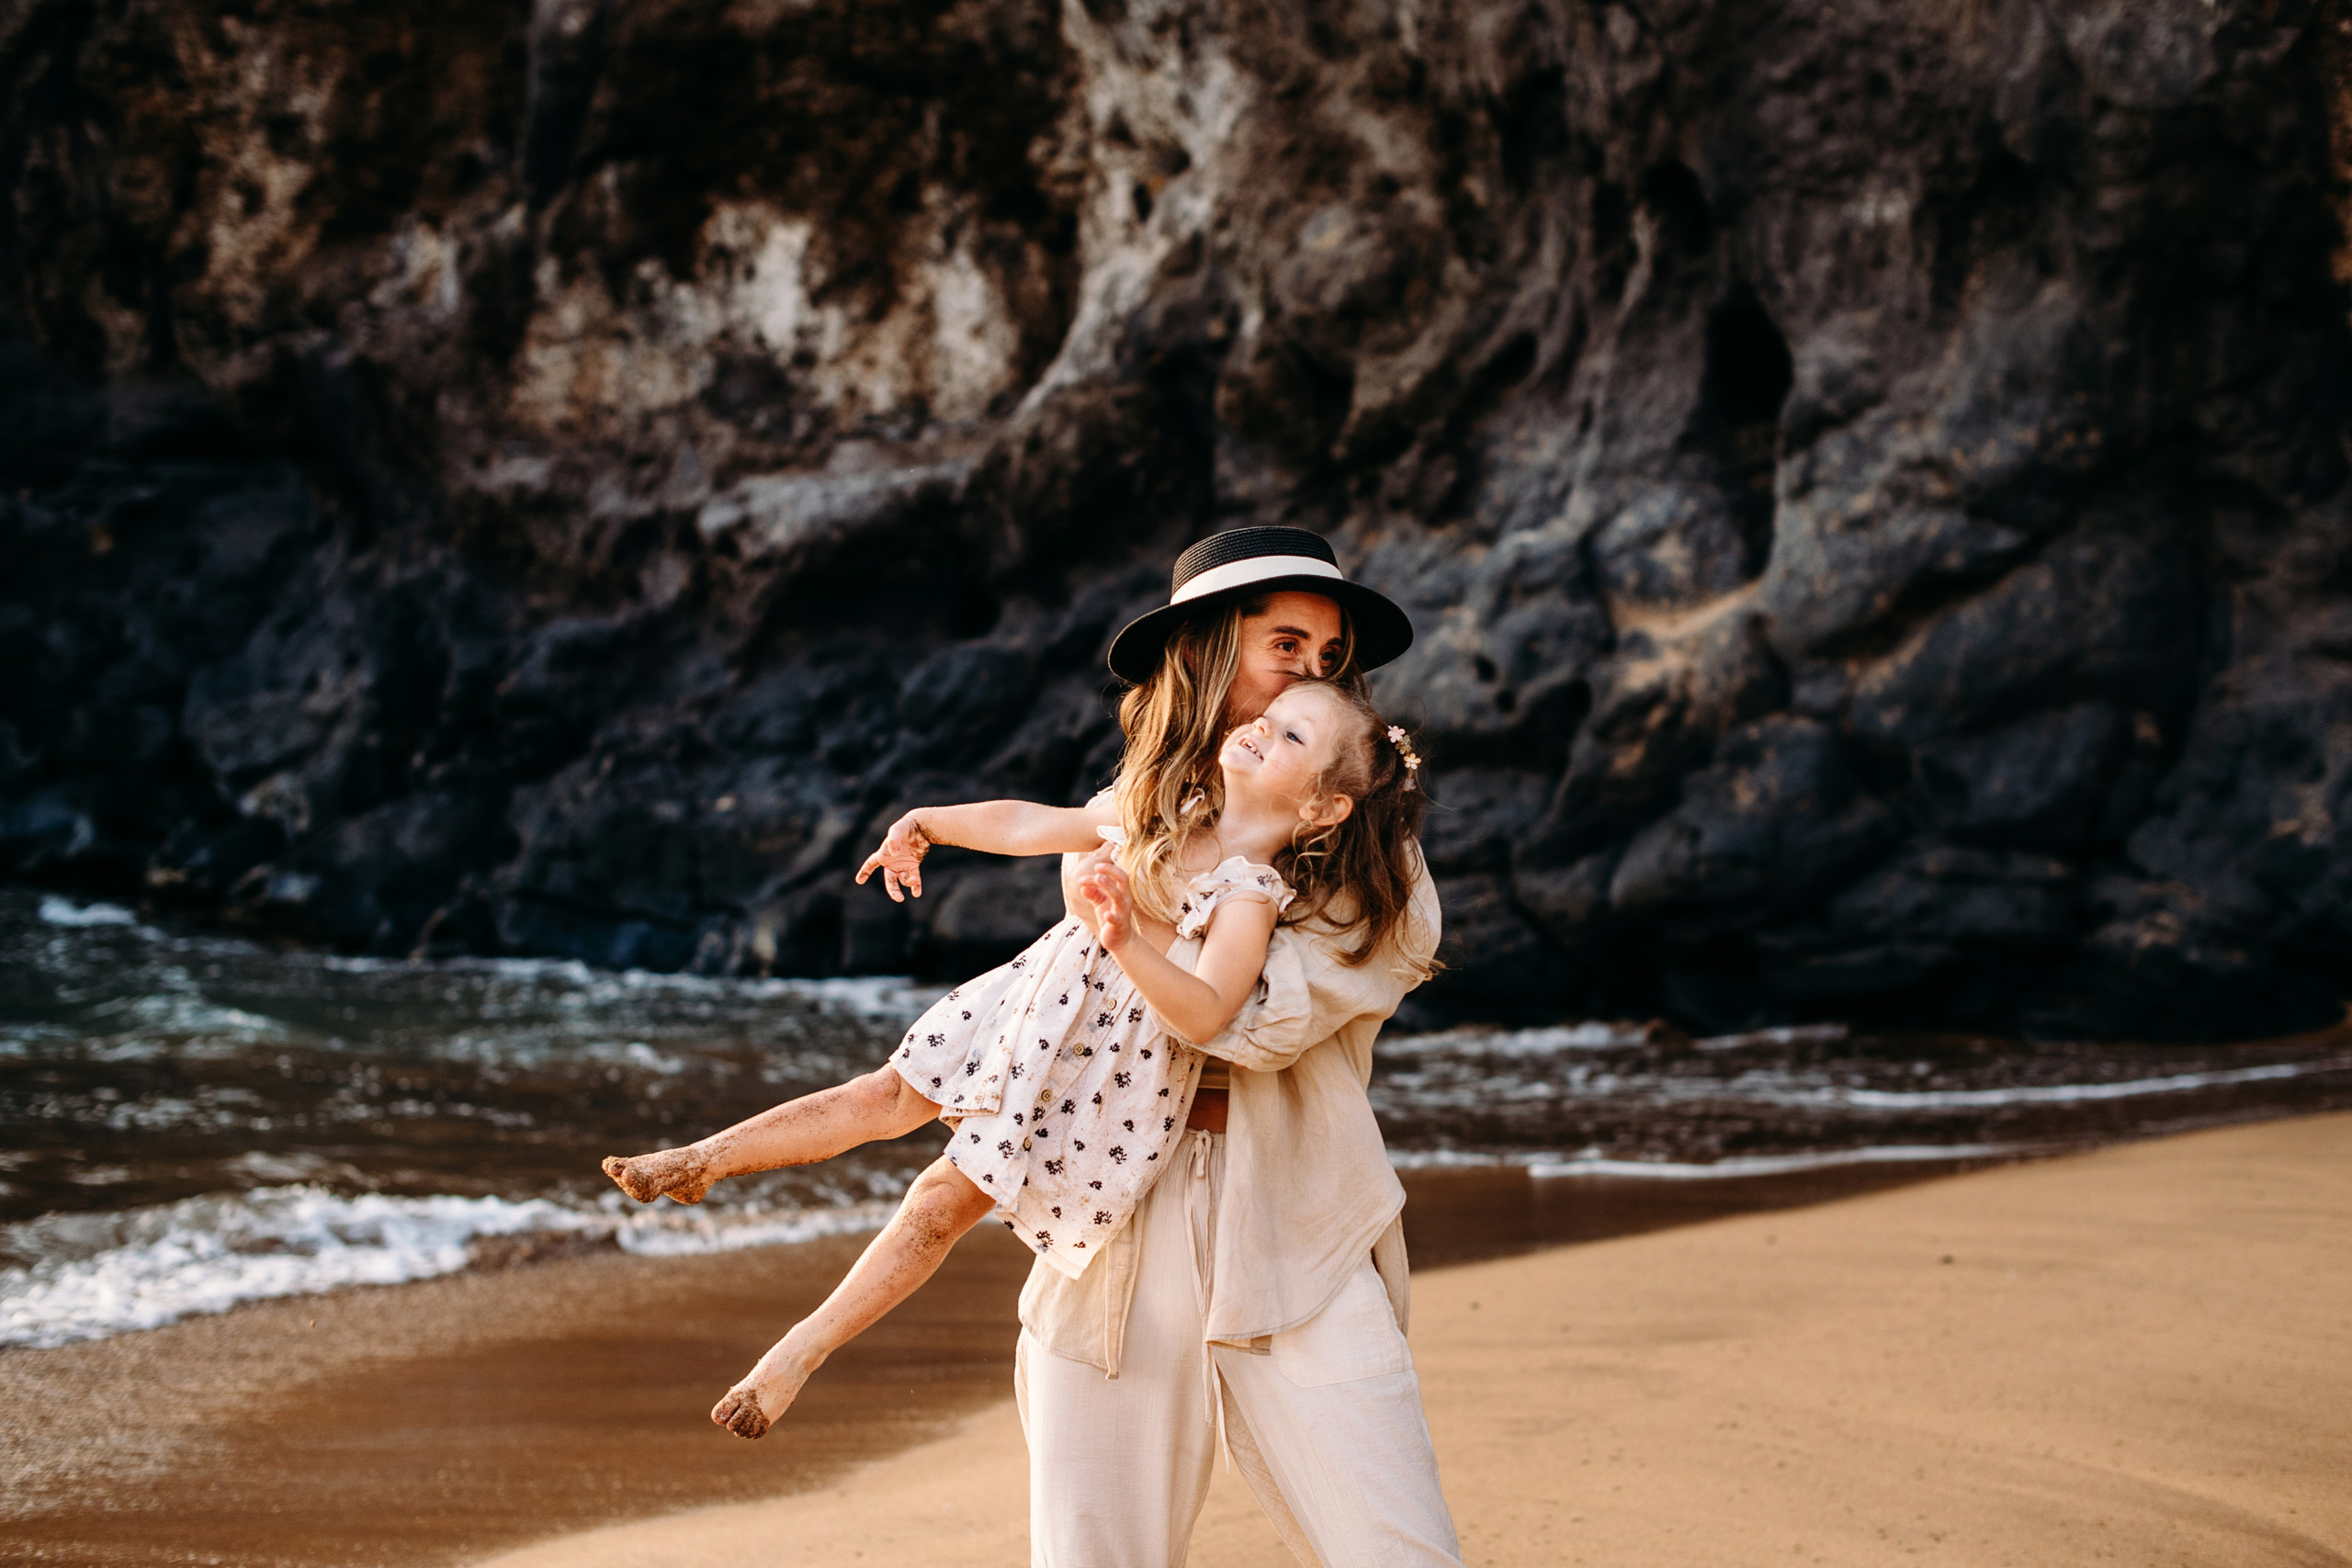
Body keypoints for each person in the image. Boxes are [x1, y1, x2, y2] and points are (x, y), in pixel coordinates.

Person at [618, 527, 1464, 1565]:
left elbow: (1258, 1025)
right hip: (1109, 1216)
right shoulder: (1141, 813)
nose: (1310, 674)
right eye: (1284, 646)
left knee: (1397, 1546)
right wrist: (964, 833)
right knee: (1090, 1551)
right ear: (1204, 652)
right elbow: (1039, 837)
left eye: (1328, 658)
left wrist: (1122, 917)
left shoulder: (1371, 850)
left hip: (1295, 1223)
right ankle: (713, 1180)